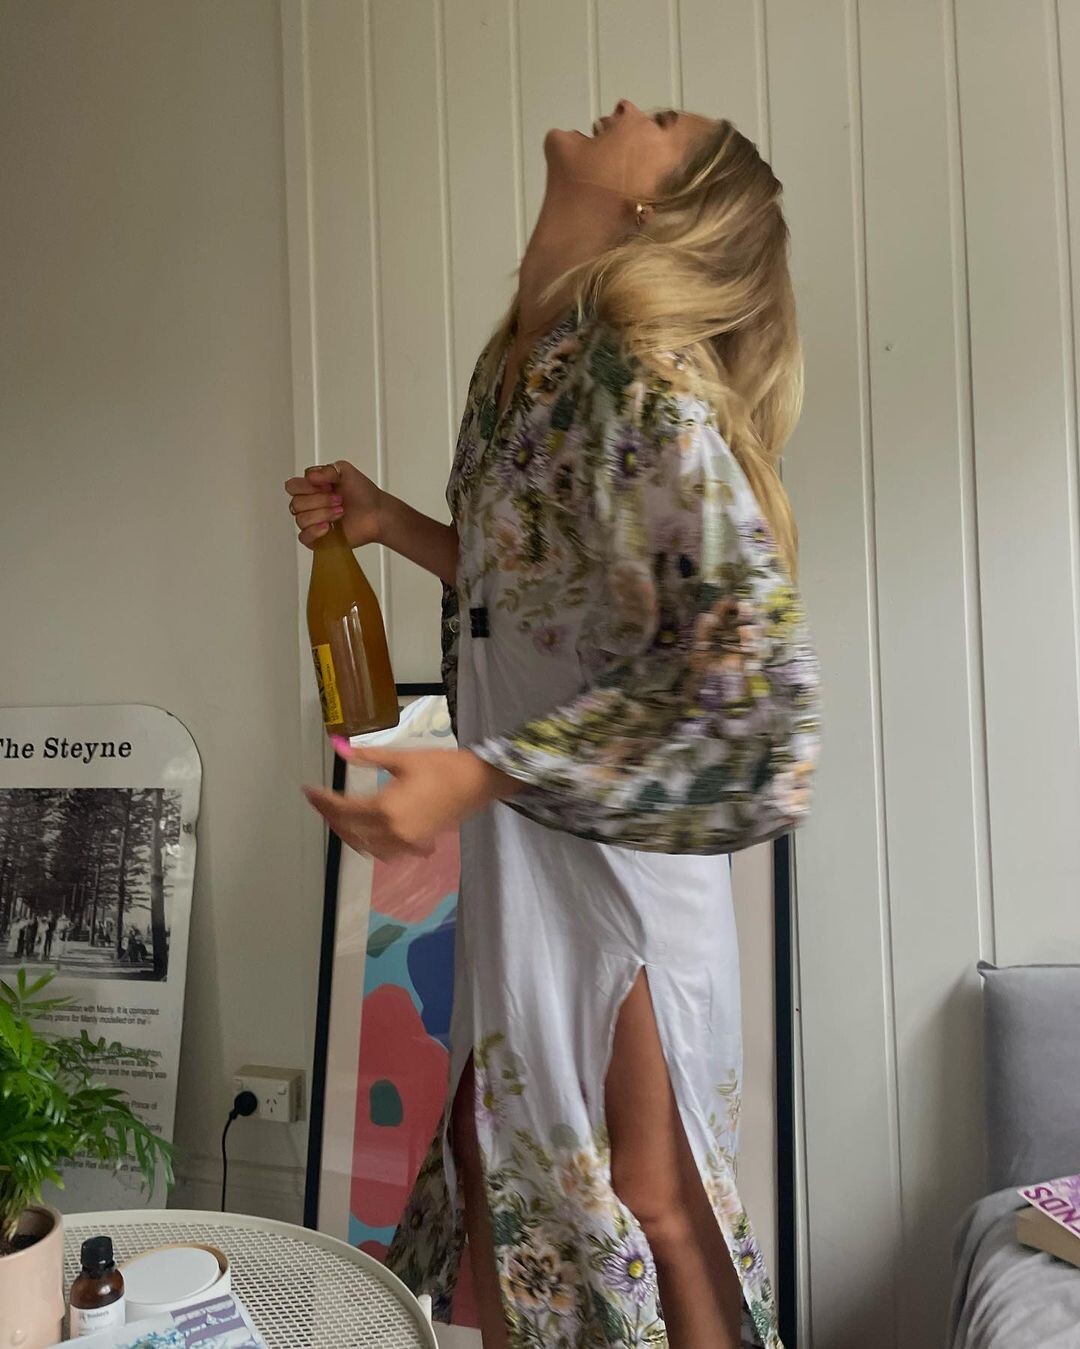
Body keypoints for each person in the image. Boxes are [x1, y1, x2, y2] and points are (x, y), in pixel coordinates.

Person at [291, 100, 819, 1349]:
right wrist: (390, 523)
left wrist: (478, 774)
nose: (628, 105)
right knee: (500, 1169)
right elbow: (532, 587)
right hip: (521, 839)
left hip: (616, 861)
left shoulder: (642, 378)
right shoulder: (520, 366)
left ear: (655, 205)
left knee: (655, 1196)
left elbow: (756, 692)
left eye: (663, 122)